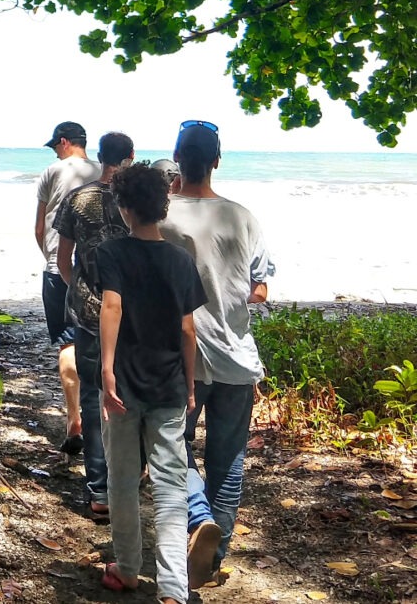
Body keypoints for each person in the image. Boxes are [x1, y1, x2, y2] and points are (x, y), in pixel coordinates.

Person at [159, 120, 275, 590]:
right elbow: (259, 290)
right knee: (228, 460)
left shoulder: (161, 217)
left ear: (176, 158)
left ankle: (198, 517)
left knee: (170, 446)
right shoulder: (241, 217)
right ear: (217, 161)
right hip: (235, 355)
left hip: (177, 356)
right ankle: (210, 558)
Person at [96, 163, 207, 604]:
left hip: (123, 385)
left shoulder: (111, 253)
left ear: (125, 207)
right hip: (168, 386)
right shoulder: (181, 260)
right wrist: (190, 382)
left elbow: (111, 307)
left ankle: (127, 569)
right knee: (170, 485)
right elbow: (187, 329)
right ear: (162, 206)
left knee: (122, 480)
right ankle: (174, 589)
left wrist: (107, 369)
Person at [55, 131, 133, 514]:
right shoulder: (137, 200)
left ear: (100, 157)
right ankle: (129, 479)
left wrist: (82, 288)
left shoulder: (77, 198)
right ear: (130, 157)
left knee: (91, 395)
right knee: (129, 393)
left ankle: (99, 491)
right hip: (131, 311)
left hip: (88, 312)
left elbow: (62, 261)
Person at [35, 122, 102, 455]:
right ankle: (101, 415)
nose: (55, 153)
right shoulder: (104, 171)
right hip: (99, 271)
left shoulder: (52, 172)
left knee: (68, 342)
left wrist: (50, 257)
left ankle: (74, 419)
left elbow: (39, 226)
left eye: (55, 147)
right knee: (102, 342)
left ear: (64, 142)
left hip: (57, 268)